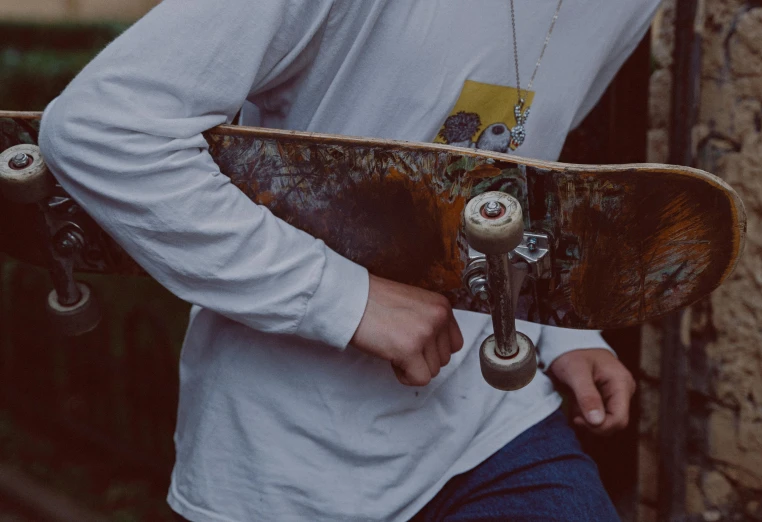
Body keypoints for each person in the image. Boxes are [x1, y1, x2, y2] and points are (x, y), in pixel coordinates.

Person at [38, 1, 660, 520]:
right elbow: (103, 127)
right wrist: (344, 297)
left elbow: (510, 169)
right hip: (286, 460)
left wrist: (555, 329)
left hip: (494, 427)